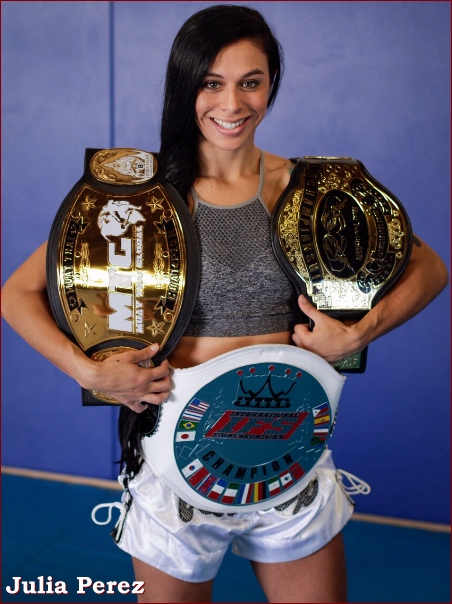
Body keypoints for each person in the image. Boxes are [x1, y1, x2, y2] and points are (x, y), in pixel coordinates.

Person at [1, 4, 448, 603]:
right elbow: (17, 294)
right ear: (186, 85)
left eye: (250, 82)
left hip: (292, 455)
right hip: (173, 462)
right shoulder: (138, 198)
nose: (232, 103)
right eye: (212, 83)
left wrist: (361, 331)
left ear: (271, 86)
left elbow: (429, 267)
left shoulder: (311, 189)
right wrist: (87, 371)